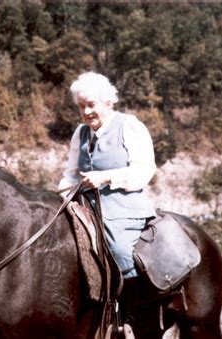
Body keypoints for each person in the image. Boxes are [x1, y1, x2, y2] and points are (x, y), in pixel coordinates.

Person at [58, 72, 156, 278]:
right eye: (81, 106)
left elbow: (144, 170)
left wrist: (105, 177)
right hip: (85, 206)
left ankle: (132, 304)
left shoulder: (129, 125)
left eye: (92, 105)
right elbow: (71, 175)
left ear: (108, 102)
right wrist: (59, 197)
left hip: (123, 210)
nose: (86, 111)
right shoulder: (80, 133)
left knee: (118, 250)